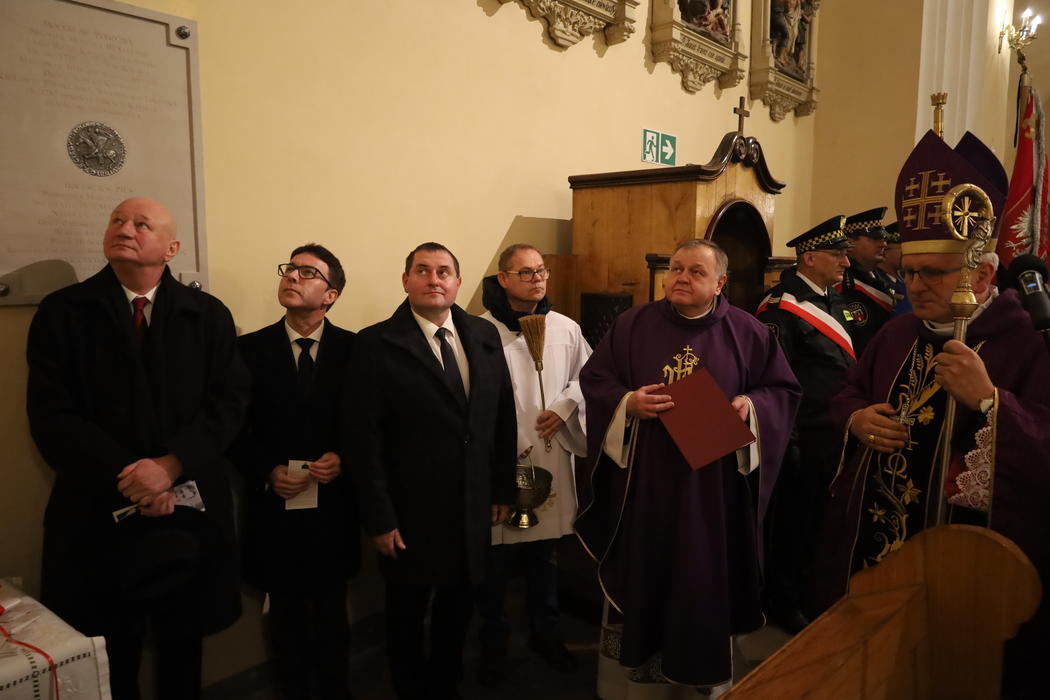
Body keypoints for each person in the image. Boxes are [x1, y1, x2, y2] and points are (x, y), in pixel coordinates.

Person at [809, 131, 1050, 698]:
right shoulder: (897, 334)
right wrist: (857, 419)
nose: (913, 286)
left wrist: (991, 402)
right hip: (879, 551)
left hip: (971, 563)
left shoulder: (1030, 343)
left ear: (983, 275)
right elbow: (848, 393)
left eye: (934, 273)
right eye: (909, 271)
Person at [26, 197, 249, 700]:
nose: (125, 229)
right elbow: (52, 415)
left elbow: (229, 404)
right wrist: (132, 478)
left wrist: (170, 466)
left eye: (141, 224)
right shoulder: (64, 312)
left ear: (171, 248)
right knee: (110, 652)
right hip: (98, 506)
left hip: (188, 503)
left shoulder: (208, 315)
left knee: (182, 647)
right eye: (118, 221)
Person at [576, 239, 800, 697]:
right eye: (676, 268)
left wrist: (751, 407)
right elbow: (596, 379)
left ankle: (702, 676)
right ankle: (638, 684)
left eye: (696, 271)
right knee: (647, 570)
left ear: (720, 283)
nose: (681, 277)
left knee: (701, 574)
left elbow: (782, 391)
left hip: (712, 492)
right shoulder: (632, 325)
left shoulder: (748, 332)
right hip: (646, 486)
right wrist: (627, 402)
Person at [345, 242, 517, 700]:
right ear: (406, 281)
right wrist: (379, 518)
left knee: (458, 609)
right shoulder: (375, 343)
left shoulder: (482, 334)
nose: (434, 279)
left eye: (443, 271)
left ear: (457, 282)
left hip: (471, 504)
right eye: (422, 270)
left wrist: (502, 489)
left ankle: (446, 684)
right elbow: (363, 439)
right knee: (405, 614)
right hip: (408, 512)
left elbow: (502, 416)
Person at [230, 244, 359, 700]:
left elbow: (369, 421)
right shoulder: (248, 349)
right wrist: (266, 470)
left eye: (308, 273)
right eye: (290, 268)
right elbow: (231, 427)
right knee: (283, 613)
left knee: (331, 611)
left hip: (334, 506)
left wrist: (344, 457)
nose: (292, 277)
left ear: (331, 295)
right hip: (275, 505)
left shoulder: (355, 349)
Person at [476, 244, 592, 686]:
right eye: (525, 273)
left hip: (551, 453)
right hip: (502, 462)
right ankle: (493, 646)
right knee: (495, 563)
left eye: (541, 271)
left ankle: (547, 635)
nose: (537, 279)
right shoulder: (480, 331)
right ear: (503, 278)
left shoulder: (565, 328)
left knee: (545, 557)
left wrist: (564, 407)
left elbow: (589, 377)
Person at [755, 215, 855, 634]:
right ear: (810, 257)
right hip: (801, 438)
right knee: (792, 523)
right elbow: (775, 381)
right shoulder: (780, 308)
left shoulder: (832, 300)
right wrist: (788, 441)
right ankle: (782, 599)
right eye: (837, 254)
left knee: (819, 519)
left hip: (831, 432)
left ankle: (810, 589)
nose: (846, 262)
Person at [836, 207, 895, 356]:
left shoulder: (881, 277)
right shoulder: (844, 284)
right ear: (850, 243)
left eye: (883, 238)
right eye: (875, 238)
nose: (883, 244)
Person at [879, 222, 912, 317]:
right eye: (902, 248)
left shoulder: (903, 279)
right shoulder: (879, 284)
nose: (908, 253)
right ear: (885, 251)